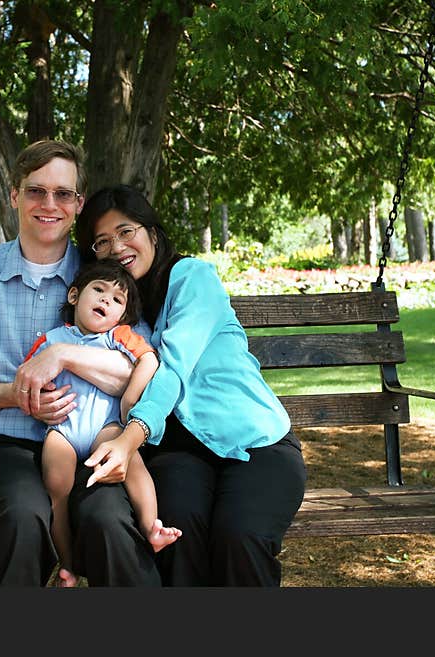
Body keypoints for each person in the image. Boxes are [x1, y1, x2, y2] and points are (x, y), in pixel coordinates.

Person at [0, 141, 162, 587]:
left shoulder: (102, 280)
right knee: (21, 514)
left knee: (109, 521)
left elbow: (135, 372)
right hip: (10, 443)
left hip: (91, 440)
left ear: (78, 204)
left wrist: (62, 354)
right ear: (13, 195)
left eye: (63, 194)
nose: (49, 204)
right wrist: (11, 394)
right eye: (35, 191)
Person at [62, 184, 308, 586]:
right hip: (180, 453)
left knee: (239, 538)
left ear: (152, 234)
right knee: (176, 535)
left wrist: (129, 439)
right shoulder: (117, 305)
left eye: (127, 232)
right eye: (102, 241)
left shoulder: (193, 278)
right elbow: (52, 253)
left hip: (255, 444)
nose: (117, 246)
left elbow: (172, 368)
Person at [25, 259, 181, 586]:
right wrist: (43, 396)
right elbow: (28, 377)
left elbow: (149, 359)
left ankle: (152, 525)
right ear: (74, 296)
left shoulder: (117, 337)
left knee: (133, 463)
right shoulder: (50, 340)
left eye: (117, 299)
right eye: (99, 290)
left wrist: (129, 399)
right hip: (63, 429)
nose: (106, 300)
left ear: (121, 316)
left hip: (105, 427)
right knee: (57, 491)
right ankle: (67, 564)